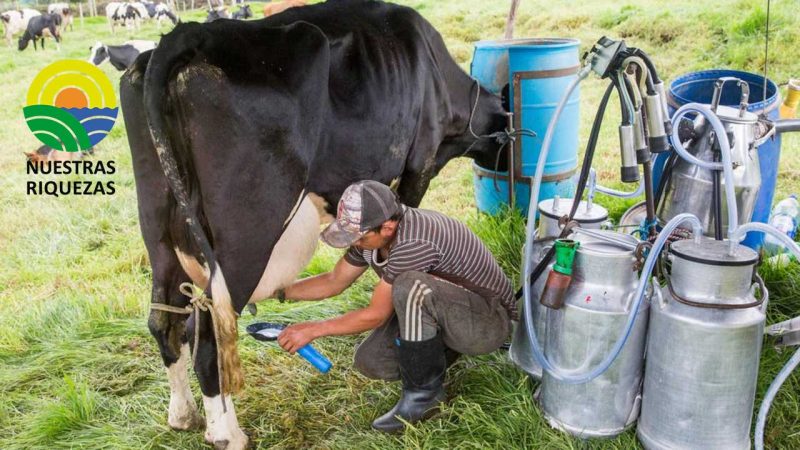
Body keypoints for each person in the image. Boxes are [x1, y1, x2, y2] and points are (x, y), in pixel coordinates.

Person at [276, 180, 514, 432]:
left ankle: (424, 397)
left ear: (388, 227)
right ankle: (435, 357)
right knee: (372, 361)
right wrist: (275, 291)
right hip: (449, 311)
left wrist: (313, 330)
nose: (354, 243)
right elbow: (334, 281)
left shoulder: (413, 242)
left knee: (409, 285)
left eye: (359, 237)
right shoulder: (371, 237)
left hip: (488, 322)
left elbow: (376, 315)